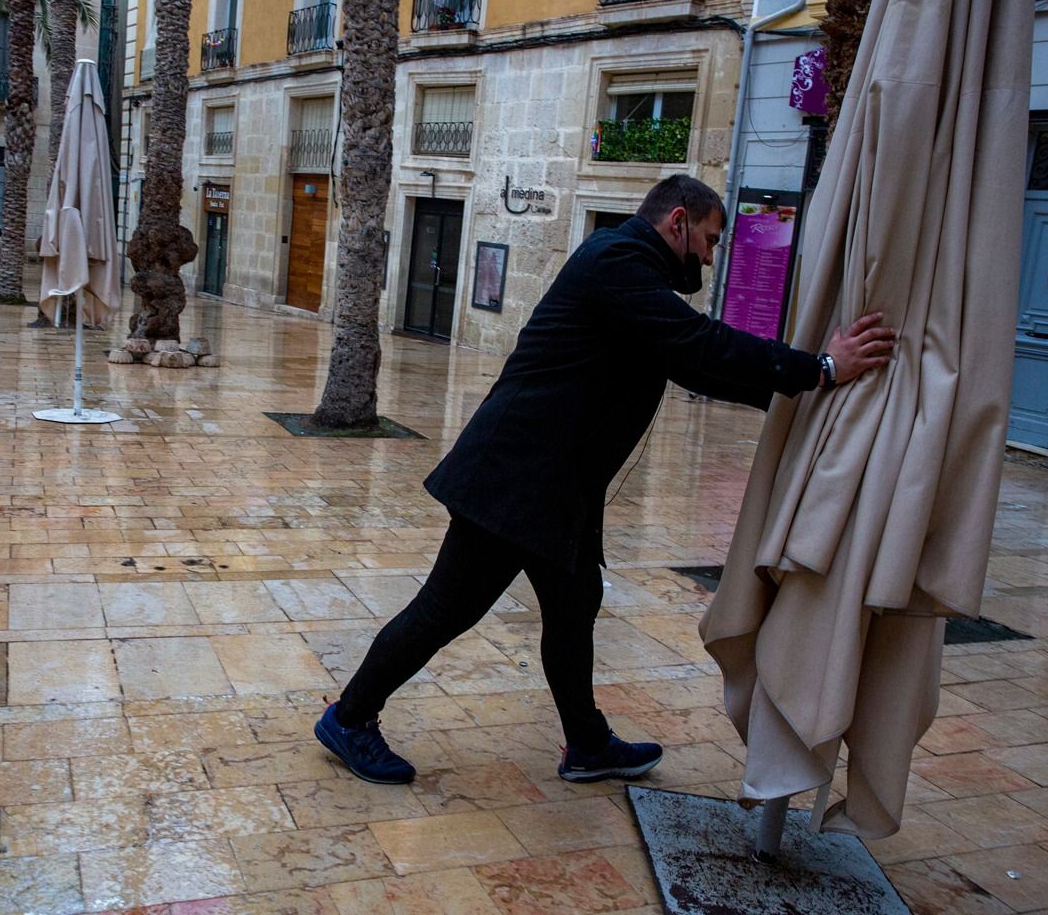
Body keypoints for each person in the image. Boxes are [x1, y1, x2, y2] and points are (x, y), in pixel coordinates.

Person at [314, 174, 895, 785]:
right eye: (709, 237)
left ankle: (587, 743)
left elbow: (692, 362)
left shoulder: (632, 272)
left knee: (573, 606)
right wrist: (822, 368)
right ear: (678, 221)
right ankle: (350, 718)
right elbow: (698, 344)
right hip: (516, 479)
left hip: (554, 486)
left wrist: (801, 394)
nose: (710, 254)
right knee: (446, 608)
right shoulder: (617, 259)